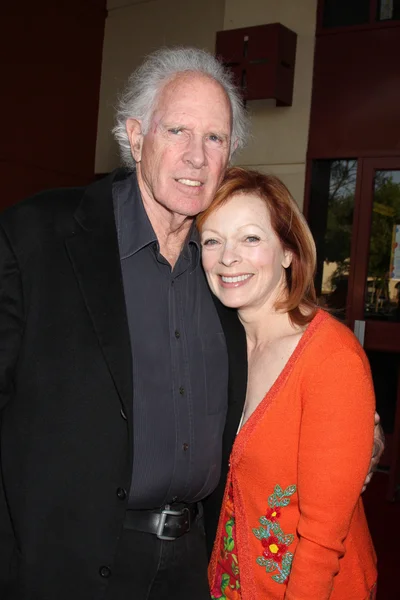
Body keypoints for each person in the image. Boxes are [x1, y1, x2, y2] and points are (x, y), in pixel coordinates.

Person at [0, 47, 381, 599]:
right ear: (135, 137)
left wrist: (351, 436)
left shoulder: (225, 270)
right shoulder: (36, 237)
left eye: (215, 138)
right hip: (64, 565)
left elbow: (293, 374)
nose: (196, 157)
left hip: (196, 564)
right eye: (177, 129)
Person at [198, 167, 378, 600]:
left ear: (288, 252)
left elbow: (321, 542)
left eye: (250, 238)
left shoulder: (332, 358)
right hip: (226, 580)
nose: (228, 257)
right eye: (212, 240)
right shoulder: (214, 343)